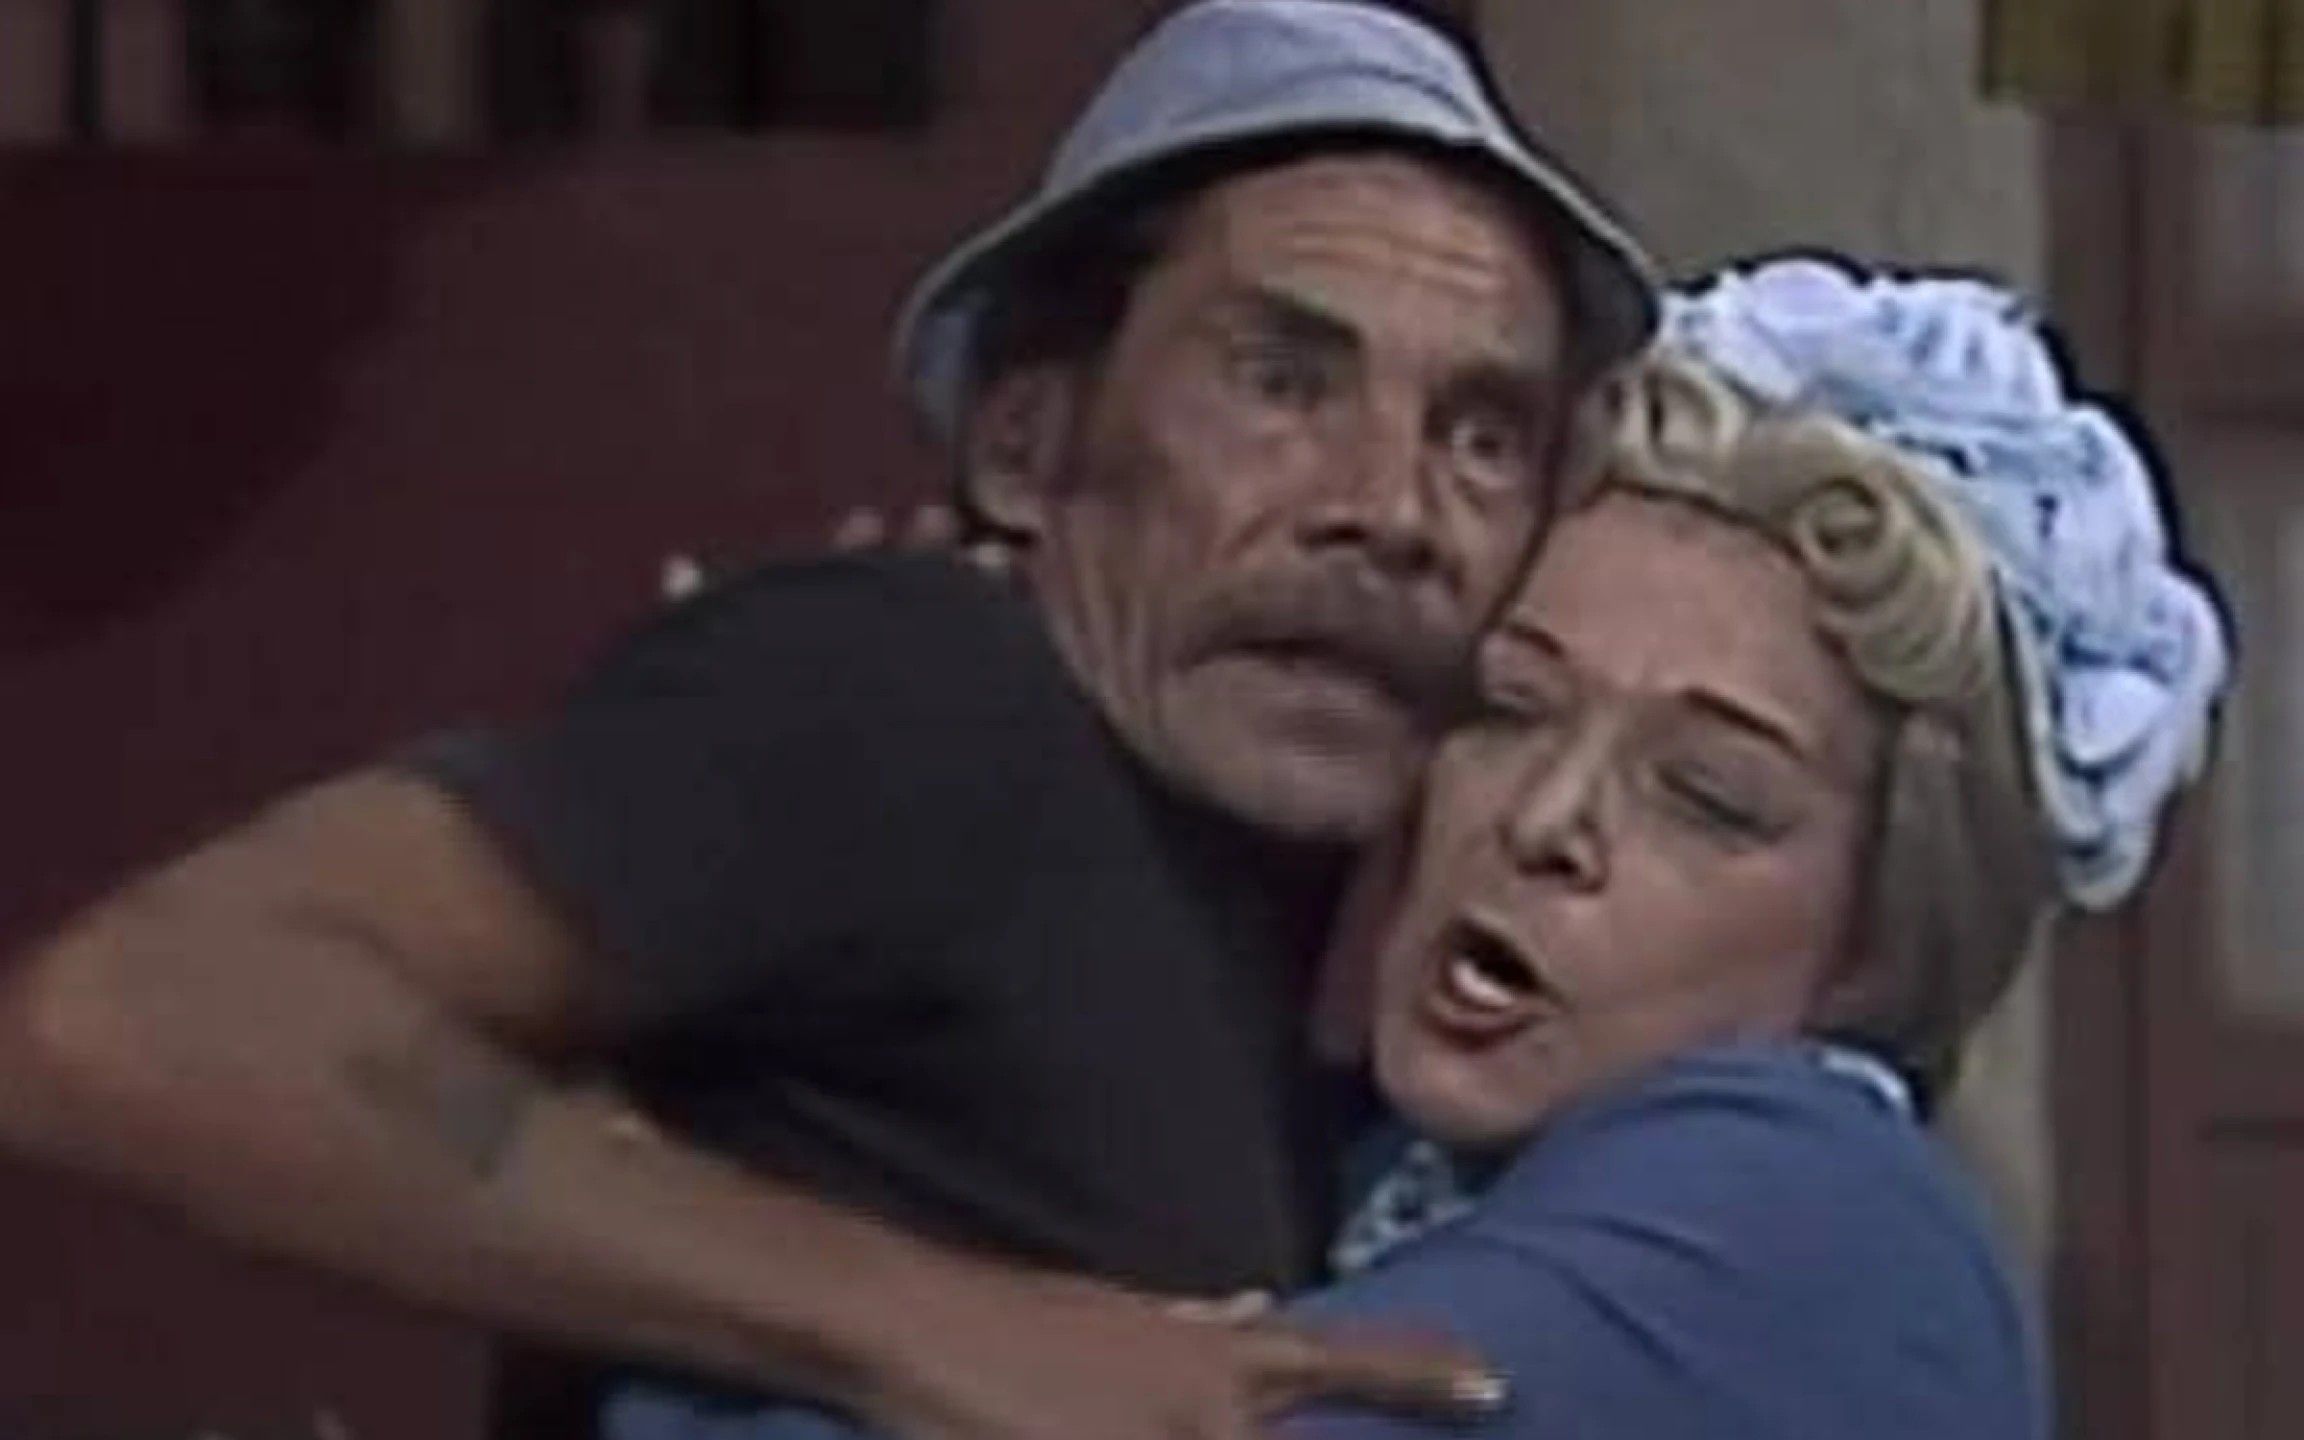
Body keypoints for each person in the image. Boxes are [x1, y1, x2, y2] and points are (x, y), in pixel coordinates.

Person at [0, 5, 1655, 1440]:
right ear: (1025, 448)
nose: (1395, 508)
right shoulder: (915, 693)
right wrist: (926, 1325)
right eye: (1283, 382)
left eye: (1482, 434)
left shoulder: (1314, 933)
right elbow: (161, 1013)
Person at [618, 258, 2228, 1440]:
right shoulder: (1394, 1164)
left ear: (1880, 942)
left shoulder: (1805, 1216)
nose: (1546, 823)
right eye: (1509, 709)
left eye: (1708, 798)